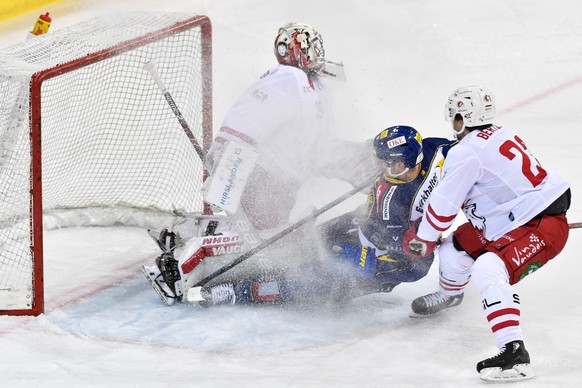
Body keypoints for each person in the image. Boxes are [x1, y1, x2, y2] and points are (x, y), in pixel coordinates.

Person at [143, 22, 375, 305]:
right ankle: (181, 264)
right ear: (298, 50)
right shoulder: (287, 77)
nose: (318, 53)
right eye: (312, 47)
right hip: (263, 176)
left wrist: (350, 164)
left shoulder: (312, 84)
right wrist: (222, 154)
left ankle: (183, 235)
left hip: (282, 181)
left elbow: (315, 144)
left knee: (266, 236)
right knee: (270, 243)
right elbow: (248, 116)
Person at [402, 86, 571, 382]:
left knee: (488, 268)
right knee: (454, 250)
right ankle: (450, 295)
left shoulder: (466, 153)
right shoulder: (497, 133)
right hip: (512, 219)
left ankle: (514, 353)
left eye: (454, 118)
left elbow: (444, 206)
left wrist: (423, 238)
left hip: (541, 225)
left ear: (460, 118)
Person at [193, 125, 457, 306]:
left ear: (405, 162)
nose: (382, 168)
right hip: (367, 225)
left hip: (391, 261)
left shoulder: (393, 198)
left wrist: (343, 251)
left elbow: (403, 246)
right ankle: (246, 269)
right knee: (306, 244)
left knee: (313, 280)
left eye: (388, 163)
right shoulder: (431, 152)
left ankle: (238, 293)